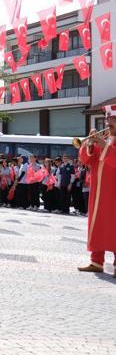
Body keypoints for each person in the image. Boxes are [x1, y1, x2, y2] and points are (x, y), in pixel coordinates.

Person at [77, 104, 116, 276]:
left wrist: (104, 145)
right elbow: (85, 160)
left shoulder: (106, 141)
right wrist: (90, 145)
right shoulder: (104, 139)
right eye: (107, 120)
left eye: (113, 120)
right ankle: (96, 261)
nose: (108, 123)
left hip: (113, 192)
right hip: (98, 191)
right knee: (97, 225)